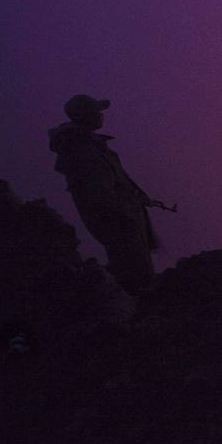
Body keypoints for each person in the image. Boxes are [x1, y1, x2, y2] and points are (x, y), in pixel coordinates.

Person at [48, 94, 160, 296]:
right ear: (86, 116)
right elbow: (100, 195)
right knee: (136, 276)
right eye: (97, 111)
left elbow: (112, 183)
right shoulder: (82, 150)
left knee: (136, 273)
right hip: (120, 222)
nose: (101, 115)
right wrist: (128, 210)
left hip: (122, 219)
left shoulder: (88, 145)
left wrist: (139, 199)